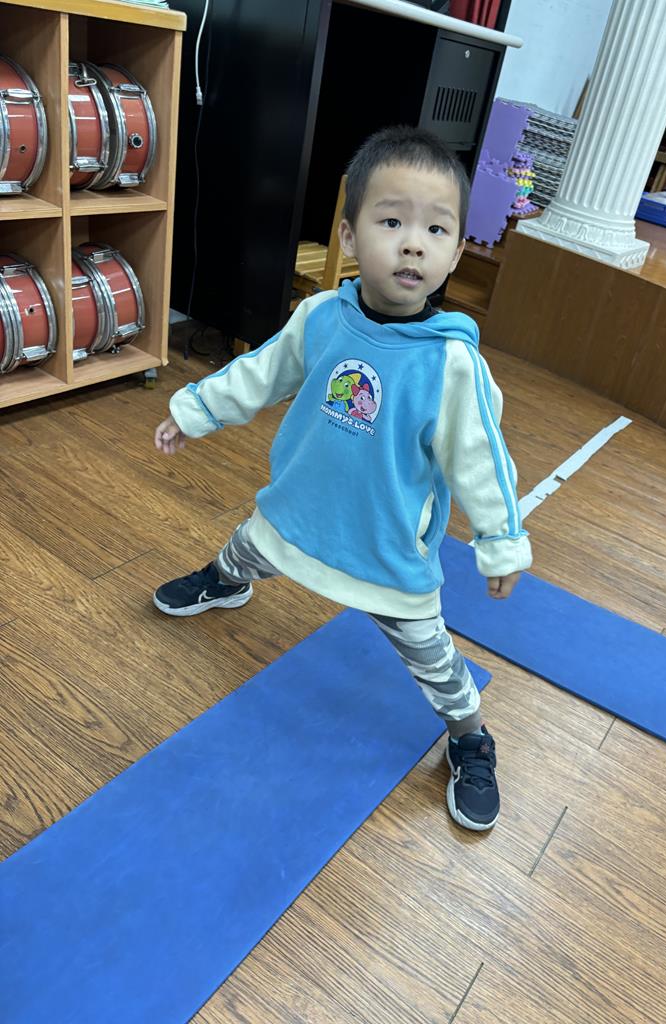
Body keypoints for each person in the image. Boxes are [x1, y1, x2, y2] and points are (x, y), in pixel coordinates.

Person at [153, 126, 531, 831]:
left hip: (386, 553)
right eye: (392, 222)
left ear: (455, 251)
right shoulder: (322, 316)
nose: (413, 245)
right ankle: (225, 582)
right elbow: (263, 371)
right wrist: (196, 409)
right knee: (250, 547)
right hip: (297, 512)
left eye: (436, 229)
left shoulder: (451, 365)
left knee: (434, 660)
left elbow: (484, 459)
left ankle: (471, 737)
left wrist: (500, 542)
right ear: (350, 237)